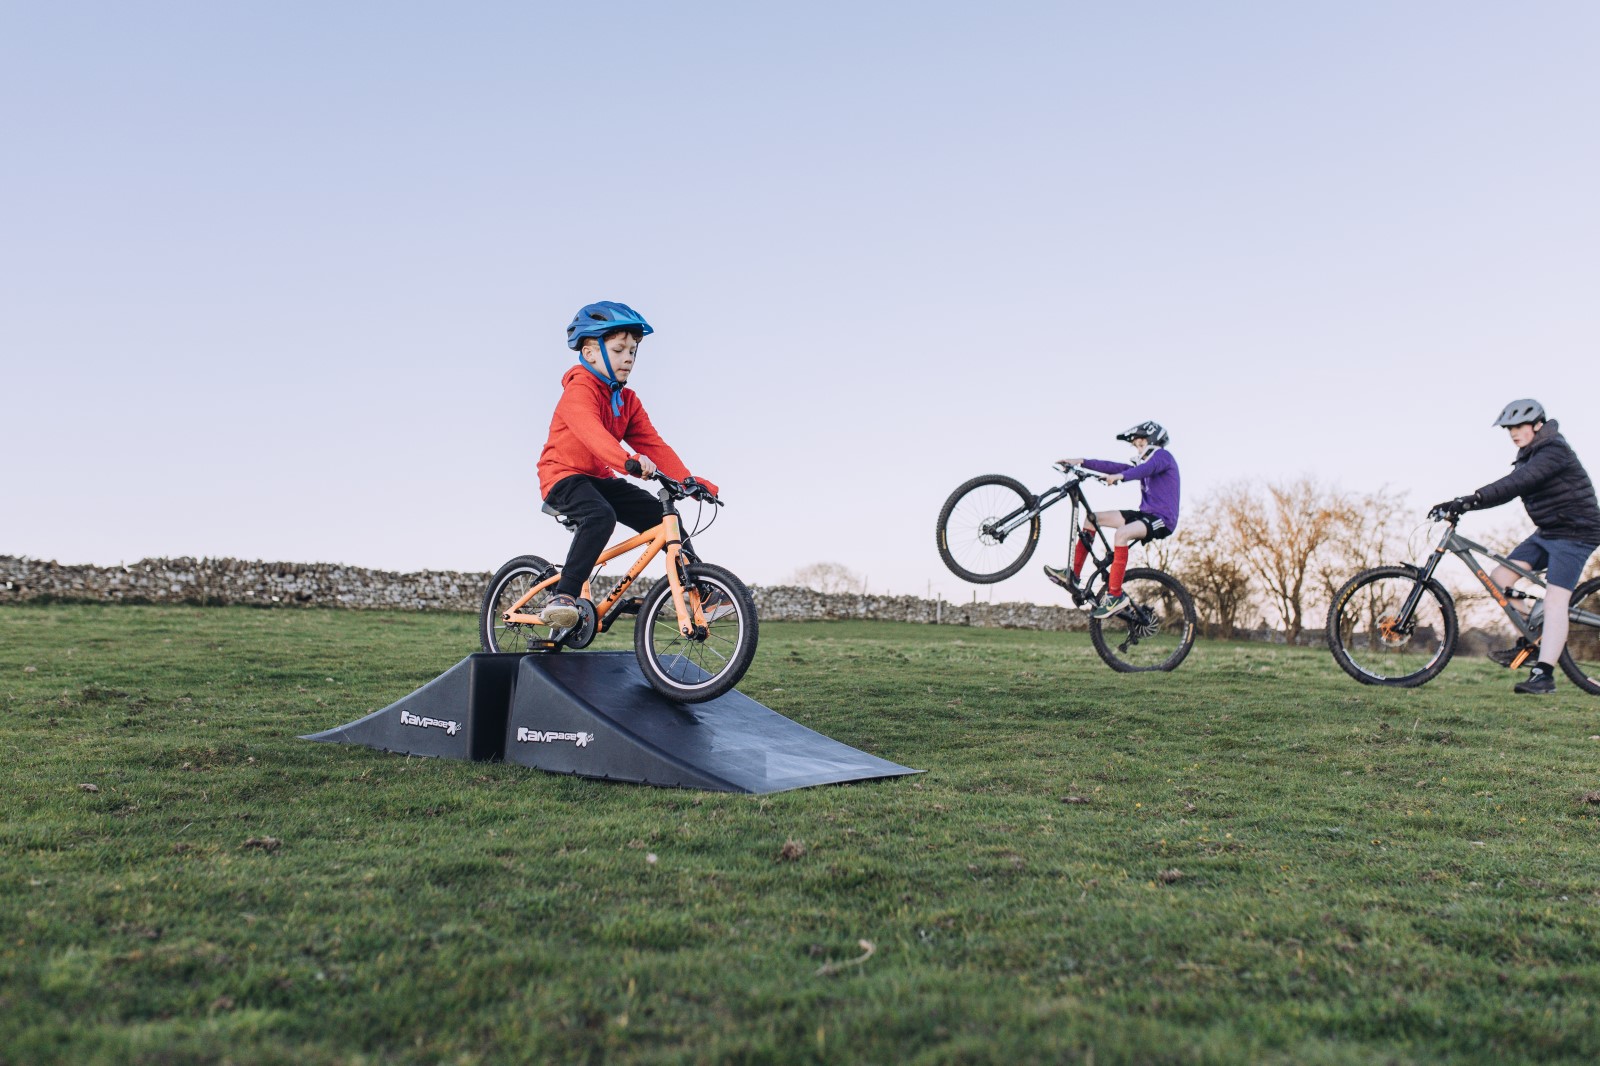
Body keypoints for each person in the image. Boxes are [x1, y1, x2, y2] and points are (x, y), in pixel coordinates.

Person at [535, 301, 719, 629]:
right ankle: (563, 595)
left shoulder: (627, 400)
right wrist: (627, 461)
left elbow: (652, 444)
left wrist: (688, 481)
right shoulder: (579, 390)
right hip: (563, 475)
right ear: (590, 353)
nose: (629, 358)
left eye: (633, 350)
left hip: (601, 477)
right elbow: (592, 434)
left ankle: (701, 591)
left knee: (662, 517)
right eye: (619, 349)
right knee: (600, 514)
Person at [1433, 399, 1600, 694]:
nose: (1513, 432)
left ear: (1538, 425)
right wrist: (1466, 502)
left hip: (1577, 532)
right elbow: (1512, 486)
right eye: (1509, 428)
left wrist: (1471, 500)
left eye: (1519, 426)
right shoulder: (1529, 455)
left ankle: (1544, 675)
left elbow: (1517, 483)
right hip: (1547, 531)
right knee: (1500, 579)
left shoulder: (1554, 450)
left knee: (1555, 601)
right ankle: (1534, 642)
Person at [1043, 421, 1180, 619]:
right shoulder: (1145, 464)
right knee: (1092, 519)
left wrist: (1121, 477)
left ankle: (1115, 595)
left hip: (1162, 519)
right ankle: (1073, 574)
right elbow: (1112, 466)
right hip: (1144, 515)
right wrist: (1081, 461)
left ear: (1152, 442)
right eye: (1136, 446)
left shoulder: (1162, 456)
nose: (1138, 449)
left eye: (1141, 444)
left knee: (1121, 534)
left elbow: (1143, 470)